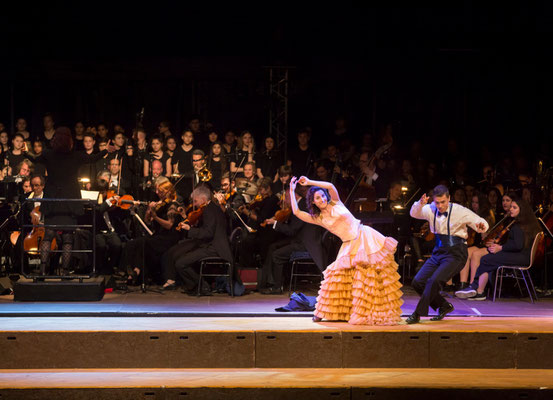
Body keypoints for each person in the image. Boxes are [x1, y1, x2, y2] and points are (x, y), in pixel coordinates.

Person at [289, 176, 403, 325]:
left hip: (363, 237)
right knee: (336, 277)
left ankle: (370, 312)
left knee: (368, 277)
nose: (322, 198)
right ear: (313, 201)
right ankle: (323, 311)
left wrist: (310, 182)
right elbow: (297, 212)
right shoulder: (318, 217)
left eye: (322, 195)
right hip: (348, 244)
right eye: (318, 197)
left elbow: (330, 185)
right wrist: (291, 191)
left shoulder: (336, 202)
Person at [407, 184, 489, 324]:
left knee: (434, 281)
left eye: (443, 202)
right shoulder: (430, 208)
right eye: (437, 202)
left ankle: (418, 313)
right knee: (417, 282)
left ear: (449, 199)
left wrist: (481, 226)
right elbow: (414, 213)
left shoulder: (459, 210)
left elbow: (480, 222)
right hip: (438, 252)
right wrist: (420, 204)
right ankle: (444, 306)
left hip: (456, 253)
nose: (440, 206)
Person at [455, 195, 541, 300]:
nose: (511, 209)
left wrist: (500, 248)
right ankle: (477, 290)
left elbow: (517, 245)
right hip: (522, 256)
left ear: (522, 210)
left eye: (514, 207)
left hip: (521, 257)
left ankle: (477, 289)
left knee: (486, 259)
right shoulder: (525, 224)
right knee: (487, 259)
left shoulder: (519, 226)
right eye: (511, 207)